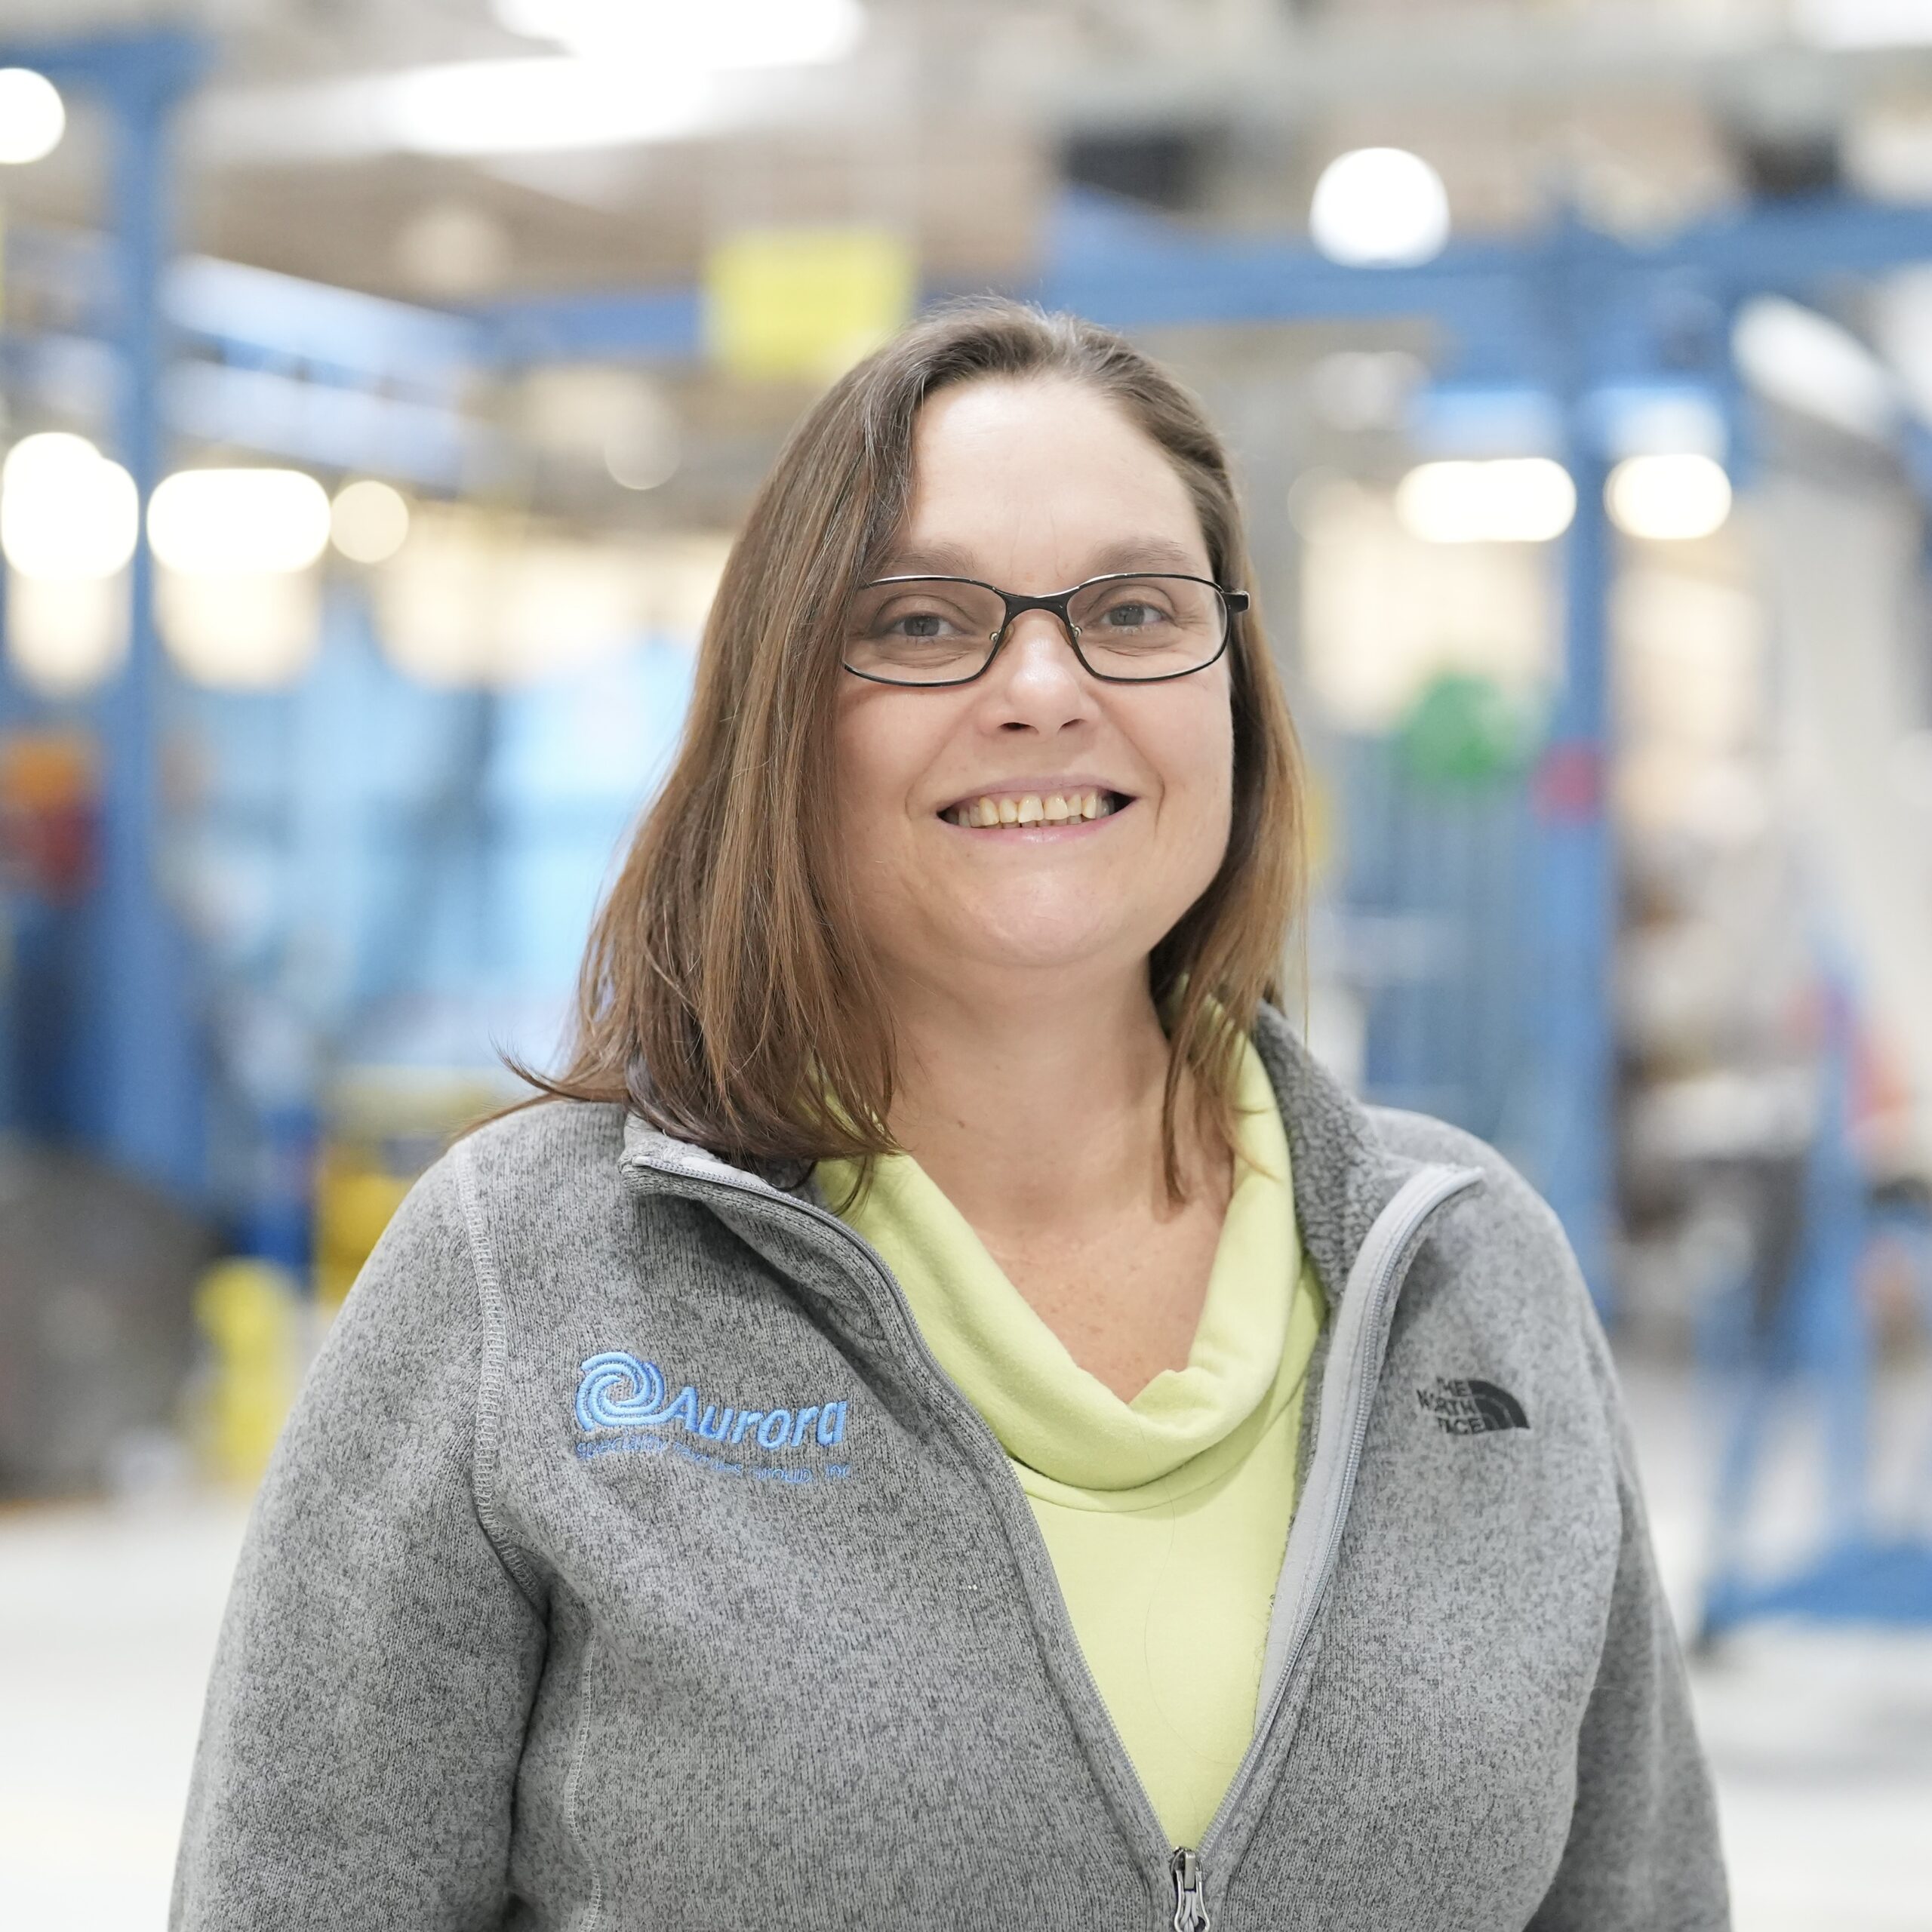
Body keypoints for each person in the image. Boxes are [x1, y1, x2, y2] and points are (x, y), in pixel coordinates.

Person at [173, 302, 1727, 1931]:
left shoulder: (1467, 1267)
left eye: (1132, 608)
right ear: (784, 713)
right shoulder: (528, 1275)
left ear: (1235, 693)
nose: (1043, 687)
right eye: (922, 623)